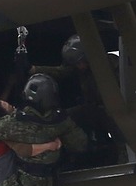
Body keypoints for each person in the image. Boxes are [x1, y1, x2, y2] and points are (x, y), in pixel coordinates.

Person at [30, 34, 124, 166]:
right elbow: (61, 71)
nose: (79, 66)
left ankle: (124, 161)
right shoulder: (80, 67)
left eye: (81, 63)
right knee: (64, 117)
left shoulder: (109, 65)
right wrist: (35, 70)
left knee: (120, 135)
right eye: (77, 64)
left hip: (115, 108)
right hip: (94, 109)